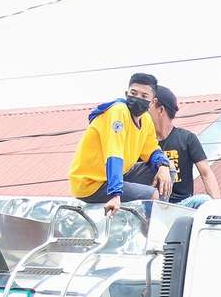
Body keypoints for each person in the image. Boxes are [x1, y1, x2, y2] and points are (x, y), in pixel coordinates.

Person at [67, 73, 173, 214]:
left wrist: (163, 166)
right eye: (133, 93)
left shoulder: (146, 120)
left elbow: (152, 149)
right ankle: (152, 231)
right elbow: (114, 155)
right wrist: (115, 195)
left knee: (167, 170)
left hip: (115, 176)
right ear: (126, 94)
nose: (138, 99)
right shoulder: (118, 112)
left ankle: (160, 216)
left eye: (144, 96)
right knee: (151, 194)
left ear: (152, 102)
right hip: (91, 183)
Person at [126, 85, 221, 207]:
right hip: (150, 204)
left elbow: (206, 173)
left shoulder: (187, 138)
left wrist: (217, 207)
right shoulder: (140, 141)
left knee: (203, 201)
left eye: (148, 105)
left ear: (160, 110)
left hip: (181, 206)